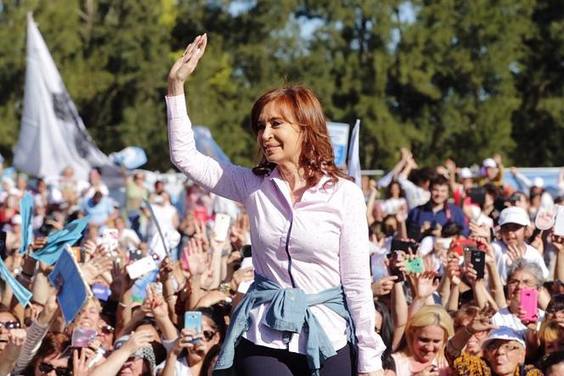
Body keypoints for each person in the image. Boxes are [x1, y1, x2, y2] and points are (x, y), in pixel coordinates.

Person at [166, 34, 385, 375]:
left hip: (328, 333)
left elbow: (356, 282)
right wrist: (175, 86)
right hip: (265, 333)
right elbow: (185, 157)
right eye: (261, 126)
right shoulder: (253, 186)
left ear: (305, 127)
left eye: (276, 124)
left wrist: (369, 360)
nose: (265, 134)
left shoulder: (344, 194)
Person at [391, 305, 454, 376]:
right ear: (412, 334)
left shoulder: (449, 363)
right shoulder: (394, 363)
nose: (429, 347)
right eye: (424, 340)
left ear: (445, 339)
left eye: (436, 341)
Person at [492, 207, 549, 283]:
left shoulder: (534, 254)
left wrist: (519, 264)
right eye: (506, 227)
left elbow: (544, 280)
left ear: (526, 230)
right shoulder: (495, 248)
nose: (510, 232)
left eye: (516, 227)